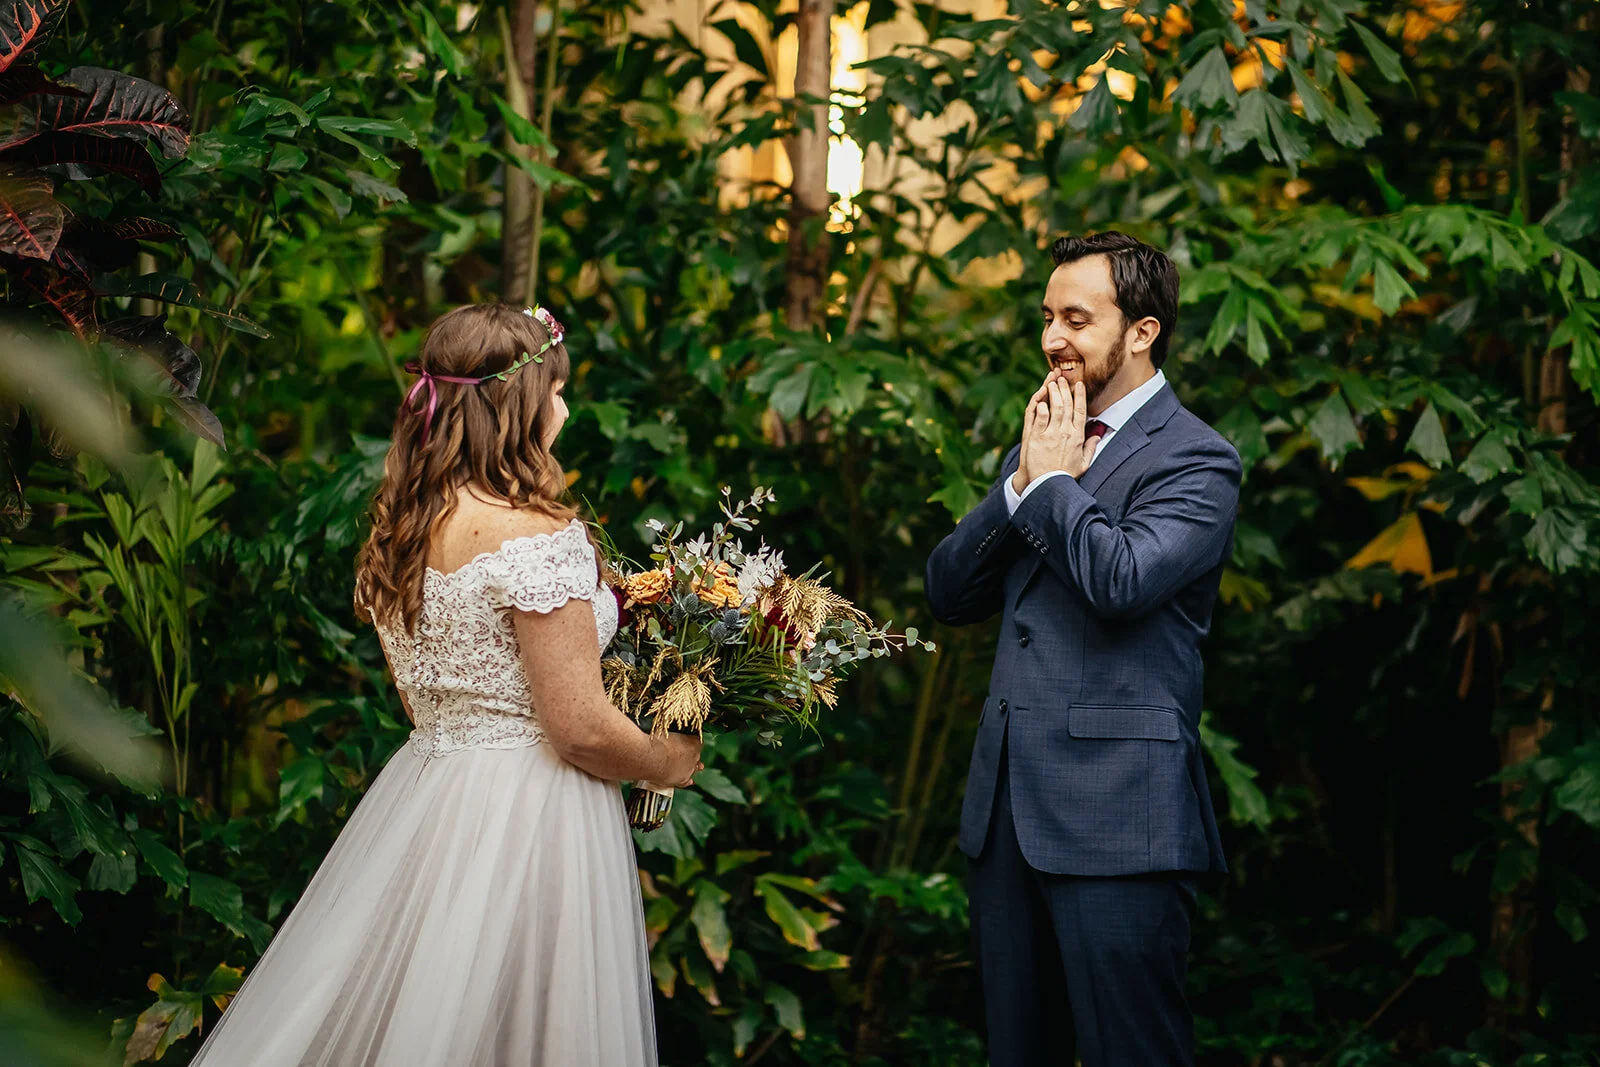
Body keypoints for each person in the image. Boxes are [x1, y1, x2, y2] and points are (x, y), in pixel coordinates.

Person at [189, 302, 701, 1066]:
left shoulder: (403, 524)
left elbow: (419, 693)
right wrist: (670, 759)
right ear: (518, 405)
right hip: (539, 812)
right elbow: (580, 727)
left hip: (432, 797)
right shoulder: (534, 537)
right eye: (555, 390)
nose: (565, 406)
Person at [925, 232, 1242, 1067]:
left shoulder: (1199, 459)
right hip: (1006, 816)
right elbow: (949, 593)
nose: (1052, 338)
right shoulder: (1043, 444)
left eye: (1076, 318)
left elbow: (1122, 581)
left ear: (1142, 331)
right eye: (1046, 317)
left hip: (1120, 818)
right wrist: (1022, 484)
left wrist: (1058, 483)